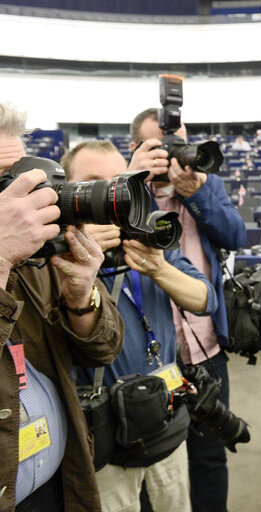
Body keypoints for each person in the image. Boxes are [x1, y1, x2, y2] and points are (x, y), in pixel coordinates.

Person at [63, 140, 217, 512]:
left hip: (166, 420)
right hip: (106, 436)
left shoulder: (148, 234)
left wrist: (159, 268)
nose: (109, 193)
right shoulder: (57, 255)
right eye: (93, 182)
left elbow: (205, 299)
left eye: (118, 181)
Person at [0, 102, 123, 511]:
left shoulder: (39, 256)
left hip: (59, 487)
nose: (21, 203)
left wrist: (81, 299)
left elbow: (104, 349)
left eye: (19, 180)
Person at [128, 108, 246, 512]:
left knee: (209, 457)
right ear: (138, 148)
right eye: (164, 147)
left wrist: (195, 195)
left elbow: (236, 234)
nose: (178, 156)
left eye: (183, 144)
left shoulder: (206, 186)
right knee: (152, 465)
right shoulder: (125, 192)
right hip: (150, 360)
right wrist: (133, 179)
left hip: (206, 349)